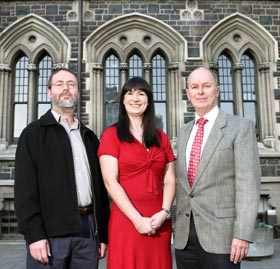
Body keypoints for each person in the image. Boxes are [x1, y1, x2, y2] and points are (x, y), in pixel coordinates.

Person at [15, 68, 110, 269]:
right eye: (59, 84)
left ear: (77, 91)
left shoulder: (90, 137)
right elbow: (24, 191)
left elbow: (100, 190)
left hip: (87, 233)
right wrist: (34, 236)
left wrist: (103, 234)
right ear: (49, 92)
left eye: (71, 84)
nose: (66, 89)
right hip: (50, 237)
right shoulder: (33, 134)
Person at [175, 67, 260, 269]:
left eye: (206, 86)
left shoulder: (240, 127)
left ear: (217, 90)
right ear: (188, 93)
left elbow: (248, 185)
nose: (200, 91)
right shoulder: (184, 132)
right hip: (185, 239)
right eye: (194, 87)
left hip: (223, 239)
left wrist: (242, 234)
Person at [98, 77, 176, 269]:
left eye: (141, 93)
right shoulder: (111, 135)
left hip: (159, 222)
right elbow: (110, 182)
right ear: (123, 100)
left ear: (148, 101)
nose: (135, 98)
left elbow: (170, 179)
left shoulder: (161, 137)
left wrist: (165, 212)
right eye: (130, 93)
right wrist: (137, 220)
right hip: (127, 221)